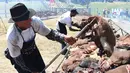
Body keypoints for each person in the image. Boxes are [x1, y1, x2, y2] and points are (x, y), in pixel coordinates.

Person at [6, 3, 77, 73]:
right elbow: (18, 60)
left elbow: (50, 33)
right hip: (20, 58)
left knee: (41, 70)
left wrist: (63, 37)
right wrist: (30, 71)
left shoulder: (34, 22)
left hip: (33, 51)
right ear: (17, 22)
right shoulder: (13, 37)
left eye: (29, 16)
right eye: (26, 18)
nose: (30, 20)